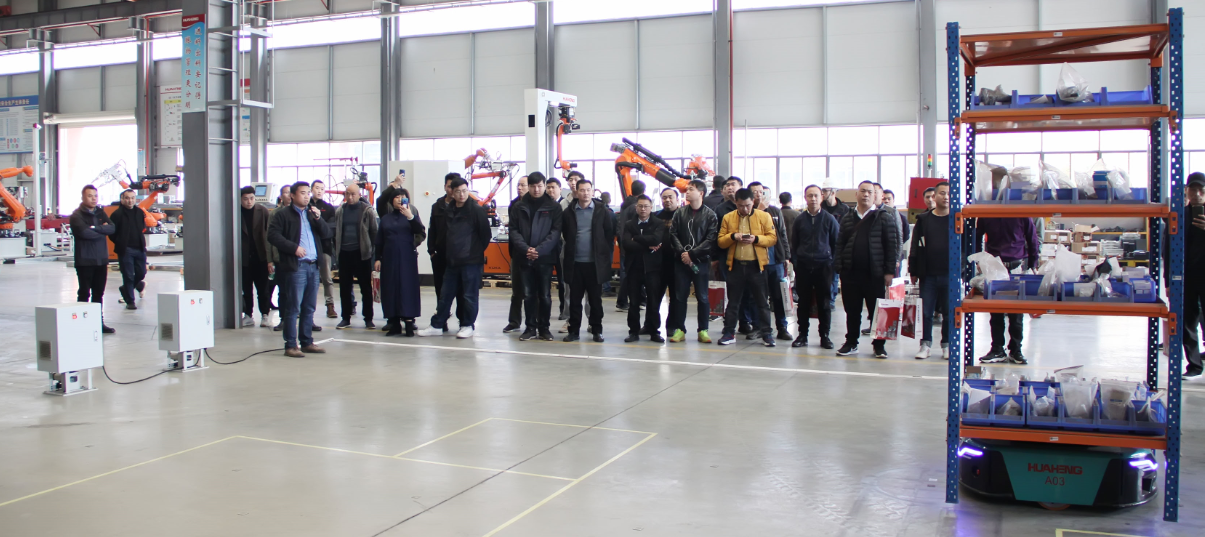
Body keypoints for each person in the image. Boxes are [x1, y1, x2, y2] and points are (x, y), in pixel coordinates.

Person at [267, 181, 333, 357]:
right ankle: (290, 345)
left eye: (307, 193)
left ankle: (307, 342)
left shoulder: (312, 213)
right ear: (293, 195)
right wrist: (293, 248)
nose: (306, 196)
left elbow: (327, 234)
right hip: (296, 266)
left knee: (309, 307)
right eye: (302, 193)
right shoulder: (282, 214)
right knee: (293, 307)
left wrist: (319, 219)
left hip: (313, 265)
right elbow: (272, 235)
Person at [834, 181, 900, 358]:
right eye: (862, 191)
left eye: (870, 192)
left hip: (875, 274)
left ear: (875, 195)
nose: (866, 195)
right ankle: (851, 342)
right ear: (856, 194)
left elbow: (891, 246)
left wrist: (889, 272)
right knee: (852, 311)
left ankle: (879, 345)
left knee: (877, 311)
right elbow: (840, 244)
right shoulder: (848, 218)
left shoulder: (884, 217)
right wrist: (839, 267)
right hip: (851, 274)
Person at [419, 178, 490, 338]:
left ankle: (467, 325)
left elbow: (485, 235)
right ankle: (437, 325)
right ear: (452, 192)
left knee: (469, 296)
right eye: (458, 191)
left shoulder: (476, 210)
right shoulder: (448, 209)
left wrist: (474, 252)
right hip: (452, 261)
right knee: (445, 295)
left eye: (465, 191)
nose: (462, 194)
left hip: (471, 262)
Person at [716, 188, 777, 347]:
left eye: (748, 205)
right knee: (733, 302)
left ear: (753, 202)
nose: (744, 209)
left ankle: (767, 334)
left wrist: (756, 239)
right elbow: (721, 241)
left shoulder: (764, 216)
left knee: (762, 302)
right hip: (736, 266)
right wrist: (732, 236)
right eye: (741, 205)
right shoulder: (728, 217)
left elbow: (772, 239)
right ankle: (729, 333)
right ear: (735, 203)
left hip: (757, 266)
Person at [975, 216, 1039, 365]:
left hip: (1015, 267)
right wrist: (979, 260)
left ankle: (1016, 350)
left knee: (1016, 312)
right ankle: (997, 349)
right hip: (994, 266)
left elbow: (1032, 238)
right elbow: (976, 237)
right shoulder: (987, 214)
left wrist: (1033, 264)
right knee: (995, 311)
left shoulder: (1022, 214)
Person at [510, 172, 563, 341]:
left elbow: (555, 232)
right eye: (533, 186)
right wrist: (526, 249)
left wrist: (539, 250)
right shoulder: (519, 206)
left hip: (545, 258)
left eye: (540, 186)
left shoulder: (553, 207)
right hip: (524, 257)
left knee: (545, 295)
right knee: (528, 295)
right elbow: (514, 231)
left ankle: (544, 328)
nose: (536, 189)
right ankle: (530, 328)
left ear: (544, 186)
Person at [561, 179, 615, 342]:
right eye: (582, 190)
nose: (585, 193)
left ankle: (597, 330)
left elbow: (609, 234)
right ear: (576, 192)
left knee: (595, 300)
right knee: (574, 300)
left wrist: (604, 256)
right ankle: (574, 331)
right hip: (575, 264)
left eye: (588, 190)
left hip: (594, 264)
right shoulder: (568, 212)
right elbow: (566, 233)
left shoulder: (602, 211)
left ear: (592, 192)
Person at [668, 180, 718, 343]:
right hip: (681, 262)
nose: (687, 192)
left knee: (702, 297)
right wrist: (683, 253)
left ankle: (703, 330)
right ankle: (679, 329)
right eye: (687, 189)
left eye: (691, 189)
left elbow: (711, 239)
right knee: (680, 296)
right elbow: (673, 234)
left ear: (701, 193)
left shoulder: (710, 215)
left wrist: (693, 254)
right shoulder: (679, 213)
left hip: (701, 262)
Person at [791, 184, 839, 349]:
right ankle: (802, 335)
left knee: (824, 303)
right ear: (805, 198)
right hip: (804, 267)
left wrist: (832, 264)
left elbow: (836, 244)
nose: (813, 199)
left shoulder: (829, 219)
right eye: (810, 196)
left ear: (821, 198)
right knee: (803, 303)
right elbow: (794, 244)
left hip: (823, 267)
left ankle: (824, 336)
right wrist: (797, 263)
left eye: (816, 195)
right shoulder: (799, 220)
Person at [375, 187, 426, 337]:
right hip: (389, 258)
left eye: (402, 197)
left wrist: (410, 217)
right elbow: (379, 240)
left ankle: (409, 322)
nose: (399, 199)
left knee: (407, 287)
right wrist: (377, 258)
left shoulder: (411, 216)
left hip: (407, 258)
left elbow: (420, 231)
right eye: (396, 197)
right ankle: (394, 322)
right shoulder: (386, 218)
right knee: (390, 288)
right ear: (392, 200)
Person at [909, 181, 951, 360]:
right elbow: (915, 246)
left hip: (950, 274)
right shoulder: (924, 220)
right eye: (942, 193)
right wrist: (913, 269)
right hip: (928, 275)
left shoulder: (957, 219)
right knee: (926, 312)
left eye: (949, 193)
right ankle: (925, 344)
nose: (946, 197)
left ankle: (947, 345)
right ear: (934, 196)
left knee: (949, 312)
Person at [69, 185, 117, 334]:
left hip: (101, 260)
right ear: (83, 197)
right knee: (84, 292)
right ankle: (81, 324)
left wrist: (95, 228)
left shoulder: (101, 212)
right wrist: (101, 230)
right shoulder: (76, 216)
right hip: (85, 260)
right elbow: (84, 233)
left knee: (98, 294)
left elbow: (112, 228)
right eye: (90, 196)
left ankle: (98, 323)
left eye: (95, 195)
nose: (93, 198)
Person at [1171, 172, 1205, 378]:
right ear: (1187, 191)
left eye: (1201, 190)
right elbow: (1168, 248)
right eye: (1193, 189)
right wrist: (1168, 281)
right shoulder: (1179, 215)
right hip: (1185, 277)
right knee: (1187, 322)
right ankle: (1194, 365)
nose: (1197, 194)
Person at [621, 195, 667, 343]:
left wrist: (636, 238)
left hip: (653, 268)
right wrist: (647, 245)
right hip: (634, 268)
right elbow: (626, 244)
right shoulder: (629, 224)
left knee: (653, 302)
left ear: (651, 207)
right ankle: (633, 331)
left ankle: (654, 331)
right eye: (640, 206)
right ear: (636, 208)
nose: (643, 209)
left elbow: (656, 239)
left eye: (646, 206)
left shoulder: (658, 223)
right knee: (634, 303)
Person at [749, 182, 792, 341]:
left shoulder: (775, 211)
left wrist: (786, 256)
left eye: (761, 191)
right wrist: (759, 211)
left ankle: (782, 327)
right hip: (757, 262)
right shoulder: (747, 212)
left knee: (778, 296)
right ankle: (758, 327)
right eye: (754, 192)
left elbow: (782, 234)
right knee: (757, 297)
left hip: (776, 261)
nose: (758, 194)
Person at [334, 184, 378, 330]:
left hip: (362, 254)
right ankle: (345, 318)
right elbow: (336, 232)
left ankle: (368, 318)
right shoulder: (340, 211)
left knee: (365, 288)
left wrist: (372, 252)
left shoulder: (367, 210)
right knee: (345, 288)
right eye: (348, 194)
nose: (350, 197)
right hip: (344, 254)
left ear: (359, 195)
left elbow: (374, 232)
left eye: (353, 194)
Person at [428, 173, 467, 328]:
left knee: (461, 292)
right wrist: (431, 251)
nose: (452, 190)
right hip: (440, 255)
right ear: (445, 187)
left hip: (459, 257)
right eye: (450, 186)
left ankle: (463, 321)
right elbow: (432, 230)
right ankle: (441, 320)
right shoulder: (437, 206)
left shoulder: (466, 207)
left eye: (456, 187)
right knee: (441, 290)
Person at [239, 186, 273, 327]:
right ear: (240, 199)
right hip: (244, 257)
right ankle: (248, 315)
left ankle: (265, 314)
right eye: (245, 199)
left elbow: (269, 233)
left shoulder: (263, 211)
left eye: (252, 198)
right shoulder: (236, 212)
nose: (249, 202)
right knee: (246, 289)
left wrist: (270, 259)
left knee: (263, 288)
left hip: (261, 256)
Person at [109, 189, 149, 311]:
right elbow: (112, 233)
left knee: (141, 272)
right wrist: (120, 242)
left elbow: (142, 228)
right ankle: (130, 301)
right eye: (127, 198)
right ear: (122, 200)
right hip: (125, 249)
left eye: (132, 198)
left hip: (139, 248)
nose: (130, 200)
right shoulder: (116, 215)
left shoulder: (139, 212)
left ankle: (129, 288)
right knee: (128, 275)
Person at [616, 180, 647, 312]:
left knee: (629, 272)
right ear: (643, 191)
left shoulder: (625, 205)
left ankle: (639, 299)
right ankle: (623, 301)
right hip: (633, 244)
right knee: (631, 272)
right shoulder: (635, 207)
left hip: (624, 242)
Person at [503, 176, 530, 333]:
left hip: (533, 253)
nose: (519, 188)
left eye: (523, 185)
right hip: (517, 252)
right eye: (518, 185)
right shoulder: (513, 205)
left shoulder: (536, 204)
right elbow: (513, 231)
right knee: (517, 290)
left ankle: (533, 323)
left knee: (532, 292)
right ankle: (514, 321)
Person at [309, 180, 338, 319]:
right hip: (308, 248)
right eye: (317, 188)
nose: (319, 191)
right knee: (308, 279)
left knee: (327, 278)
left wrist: (319, 222)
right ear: (311, 189)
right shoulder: (306, 206)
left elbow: (330, 229)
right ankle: (306, 308)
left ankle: (330, 305)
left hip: (324, 247)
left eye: (322, 188)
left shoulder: (329, 208)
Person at [656, 187, 681, 336]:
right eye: (664, 197)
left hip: (677, 263)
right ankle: (651, 324)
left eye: (670, 197)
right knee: (654, 296)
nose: (667, 200)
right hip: (658, 263)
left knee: (675, 297)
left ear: (677, 199)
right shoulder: (656, 216)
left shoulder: (682, 216)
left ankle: (672, 325)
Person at [546, 178, 569, 322]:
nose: (550, 190)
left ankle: (563, 310)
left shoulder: (564, 205)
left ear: (560, 189)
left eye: (553, 187)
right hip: (547, 247)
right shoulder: (545, 205)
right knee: (545, 280)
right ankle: (544, 312)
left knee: (562, 280)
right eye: (548, 187)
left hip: (561, 245)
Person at [882, 189, 911, 278]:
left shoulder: (901, 217)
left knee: (894, 281)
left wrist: (896, 246)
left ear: (893, 200)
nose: (886, 201)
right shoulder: (877, 215)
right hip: (881, 256)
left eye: (889, 199)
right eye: (884, 199)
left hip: (896, 256)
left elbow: (905, 235)